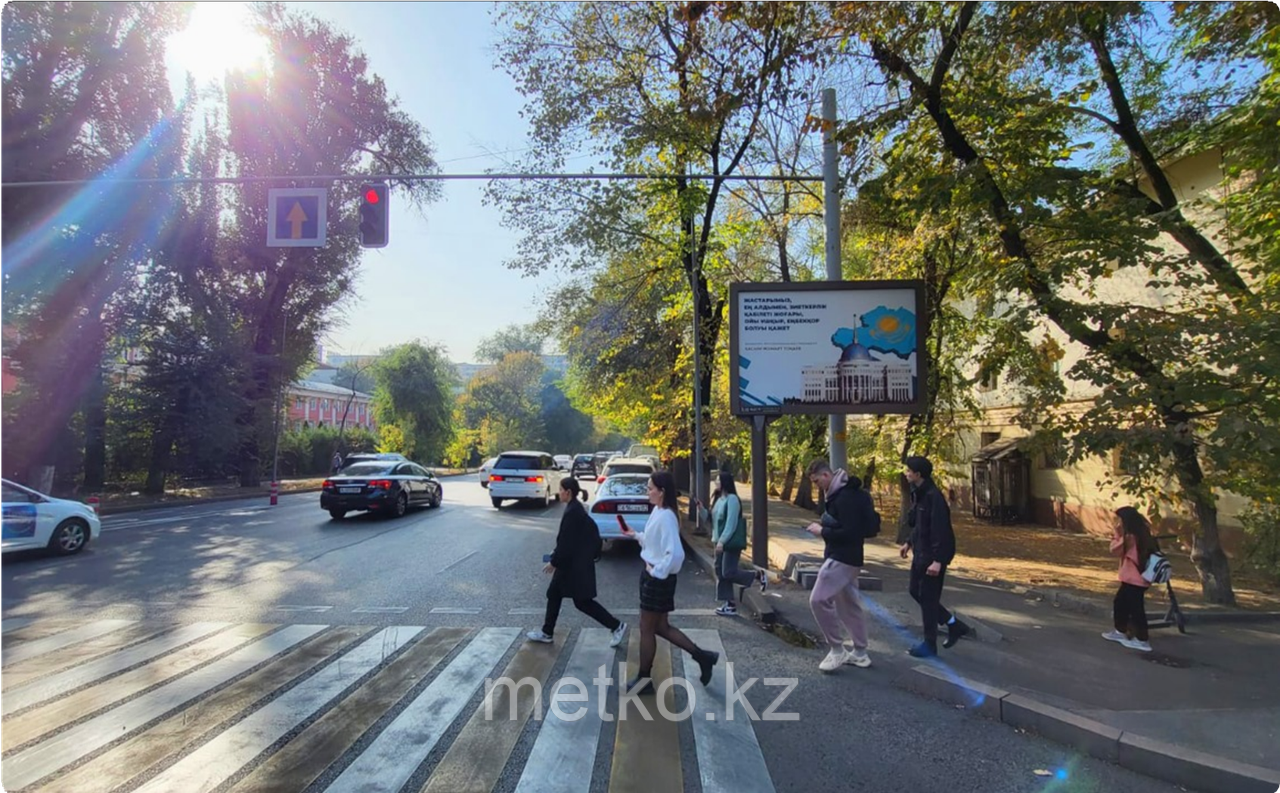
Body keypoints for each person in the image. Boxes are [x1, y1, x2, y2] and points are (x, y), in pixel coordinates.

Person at [617, 471, 719, 694]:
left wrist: (657, 572)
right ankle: (704, 657)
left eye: (650, 487)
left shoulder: (666, 517)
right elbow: (655, 545)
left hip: (657, 580)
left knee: (647, 629)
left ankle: (644, 680)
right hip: (654, 577)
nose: (647, 491)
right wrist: (635, 535)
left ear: (661, 492)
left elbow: (675, 554)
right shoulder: (659, 511)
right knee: (660, 627)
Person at [527, 478, 628, 649]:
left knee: (582, 602)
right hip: (573, 563)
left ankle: (616, 626)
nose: (559, 492)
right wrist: (556, 556)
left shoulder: (573, 512)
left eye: (561, 489)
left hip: (574, 566)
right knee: (554, 594)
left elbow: (567, 541)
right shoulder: (575, 508)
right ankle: (547, 632)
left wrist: (554, 561)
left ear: (568, 492)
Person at [804, 460, 875, 671]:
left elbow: (850, 532)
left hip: (841, 558)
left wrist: (822, 531)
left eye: (817, 481)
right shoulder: (847, 494)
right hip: (851, 558)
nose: (817, 485)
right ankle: (860, 653)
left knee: (818, 599)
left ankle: (837, 649)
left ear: (826, 475)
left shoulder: (844, 498)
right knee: (849, 605)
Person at [900, 456, 970, 658]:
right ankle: (953, 624)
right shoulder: (919, 494)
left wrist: (939, 561)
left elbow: (942, 532)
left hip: (932, 558)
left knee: (929, 599)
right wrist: (909, 542)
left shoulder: (934, 497)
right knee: (915, 591)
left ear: (918, 474)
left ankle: (930, 645)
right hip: (920, 554)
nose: (906, 473)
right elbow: (921, 525)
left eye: (909, 471)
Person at [711, 471, 767, 616]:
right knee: (720, 572)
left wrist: (722, 541)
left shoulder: (732, 499)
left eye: (718, 480)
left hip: (729, 543)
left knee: (728, 572)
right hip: (718, 541)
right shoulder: (718, 499)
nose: (716, 482)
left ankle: (757, 575)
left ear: (725, 482)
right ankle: (729, 604)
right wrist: (701, 511)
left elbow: (731, 523)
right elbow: (713, 520)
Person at [1103, 506, 1156, 652]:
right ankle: (1121, 631)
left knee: (1135, 608)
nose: (1117, 522)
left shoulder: (1130, 537)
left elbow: (1115, 550)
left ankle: (1142, 639)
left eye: (1119, 519)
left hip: (1135, 578)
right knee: (1121, 603)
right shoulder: (1142, 532)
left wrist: (1117, 534)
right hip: (1137, 577)